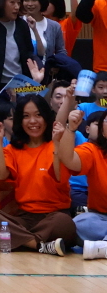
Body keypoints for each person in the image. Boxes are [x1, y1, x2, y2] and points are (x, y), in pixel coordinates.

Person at [0, 94, 76, 255]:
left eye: (38, 115)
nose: (33, 121)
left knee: (64, 223)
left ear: (46, 117)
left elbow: (60, 177)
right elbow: (1, 175)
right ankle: (38, 244)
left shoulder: (56, 143)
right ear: (19, 120)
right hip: (24, 218)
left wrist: (57, 143)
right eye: (26, 116)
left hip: (54, 215)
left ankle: (13, 239)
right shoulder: (13, 149)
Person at [58, 104, 107, 259]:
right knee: (77, 224)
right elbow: (68, 160)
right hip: (101, 219)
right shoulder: (93, 150)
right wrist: (71, 129)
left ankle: (102, 247)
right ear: (102, 130)